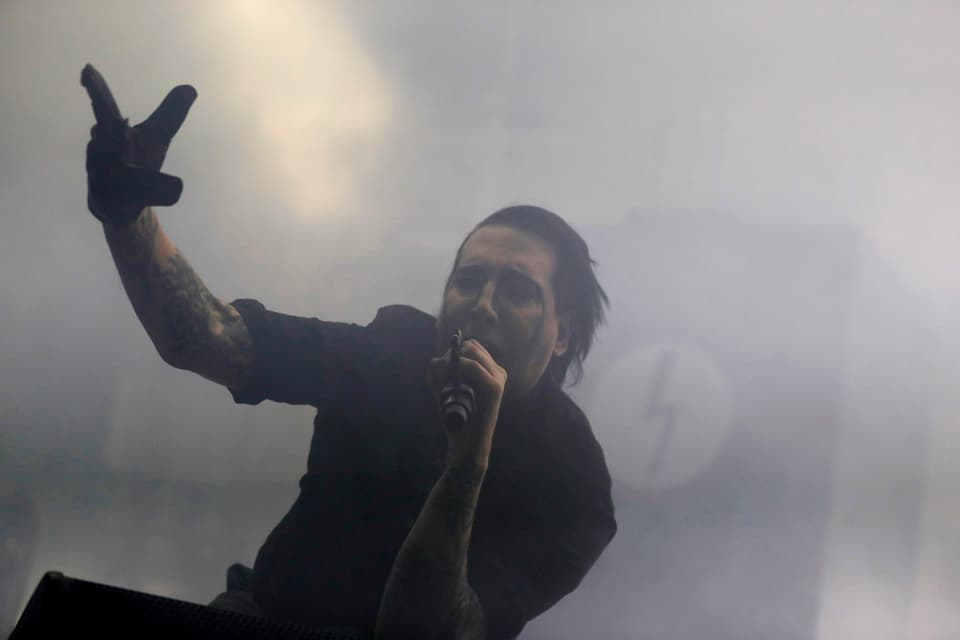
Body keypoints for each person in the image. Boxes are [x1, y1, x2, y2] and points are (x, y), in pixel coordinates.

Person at [80, 63, 616, 640]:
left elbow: (427, 630)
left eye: (517, 290)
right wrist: (126, 215)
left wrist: (466, 463)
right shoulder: (391, 352)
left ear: (563, 332)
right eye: (468, 280)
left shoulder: (572, 480)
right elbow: (209, 338)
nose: (482, 304)